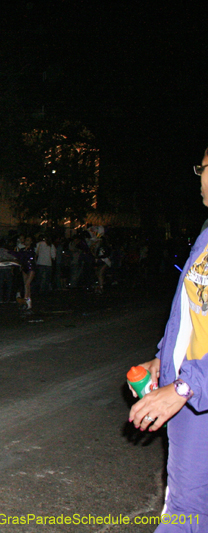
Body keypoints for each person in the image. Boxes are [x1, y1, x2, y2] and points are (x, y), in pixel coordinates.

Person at [128, 150, 208, 527]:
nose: (199, 177)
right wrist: (165, 360)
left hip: (196, 390)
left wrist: (182, 387)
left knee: (185, 513)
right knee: (189, 508)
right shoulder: (207, 236)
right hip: (196, 399)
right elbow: (190, 313)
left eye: (203, 168)